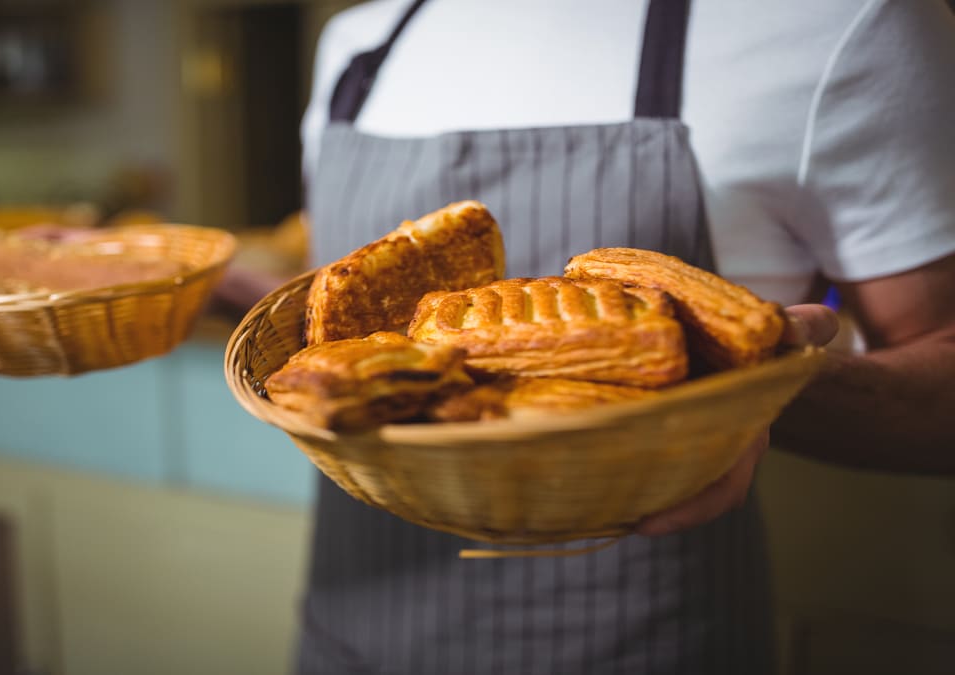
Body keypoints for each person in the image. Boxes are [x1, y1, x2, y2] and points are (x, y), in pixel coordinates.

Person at [214, 0, 955, 672]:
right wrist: (207, 283)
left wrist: (760, 388)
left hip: (643, 638)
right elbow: (340, 332)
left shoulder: (838, 23)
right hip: (354, 626)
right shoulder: (357, 44)